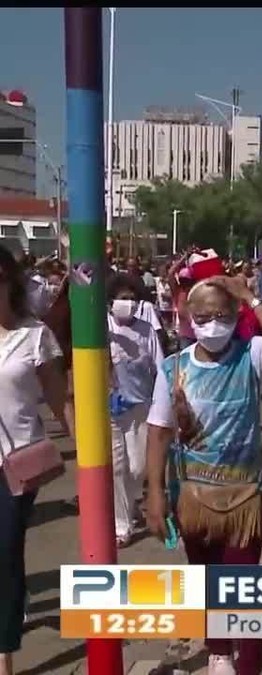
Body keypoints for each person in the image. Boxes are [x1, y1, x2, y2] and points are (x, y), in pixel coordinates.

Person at [144, 275, 262, 675]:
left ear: (235, 316)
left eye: (222, 314)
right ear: (188, 318)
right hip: (194, 496)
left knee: (244, 584)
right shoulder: (174, 367)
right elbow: (159, 432)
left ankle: (250, 661)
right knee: (206, 579)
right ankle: (218, 651)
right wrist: (155, 494)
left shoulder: (252, 353)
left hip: (246, 495)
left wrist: (250, 296)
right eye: (203, 316)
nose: (213, 323)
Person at [0, 246, 71, 675]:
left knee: (5, 552)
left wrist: (98, 461)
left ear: (9, 280)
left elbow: (61, 403)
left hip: (17, 463)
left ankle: (4, 651)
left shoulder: (34, 335)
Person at [107, 274, 165, 547]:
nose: (126, 303)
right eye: (121, 298)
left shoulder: (146, 331)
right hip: (110, 410)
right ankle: (122, 525)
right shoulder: (101, 328)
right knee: (118, 468)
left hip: (141, 406)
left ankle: (128, 507)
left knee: (138, 467)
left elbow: (160, 367)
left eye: (132, 298)